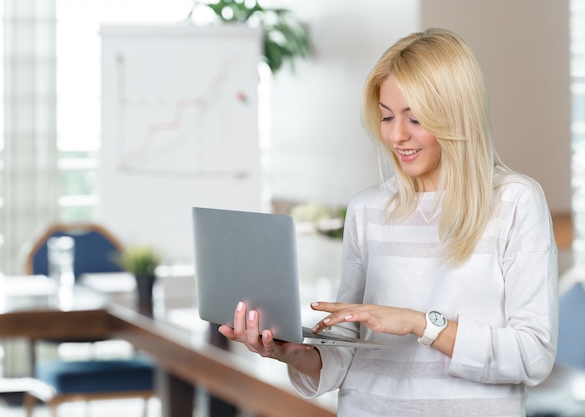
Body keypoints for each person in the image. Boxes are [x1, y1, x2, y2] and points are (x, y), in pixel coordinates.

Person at [219, 27, 558, 417]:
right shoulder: (368, 211)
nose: (397, 135)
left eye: (415, 118)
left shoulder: (515, 202)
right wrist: (293, 353)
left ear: (457, 115)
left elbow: (533, 356)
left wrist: (421, 324)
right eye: (386, 116)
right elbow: (346, 350)